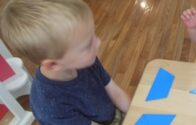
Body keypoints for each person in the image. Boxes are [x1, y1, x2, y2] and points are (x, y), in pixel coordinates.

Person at [0, 0, 131, 124]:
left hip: (111, 114)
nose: (98, 42)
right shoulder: (50, 106)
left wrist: (134, 114)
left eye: (93, 34)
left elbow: (115, 92)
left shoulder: (85, 59)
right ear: (53, 64)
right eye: (87, 45)